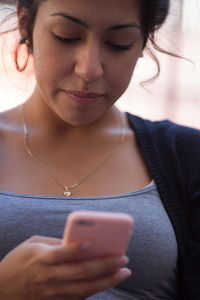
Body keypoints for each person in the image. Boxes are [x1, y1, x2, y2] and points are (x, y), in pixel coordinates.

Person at [0, 0, 199, 299]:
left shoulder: (187, 157)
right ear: (26, 23)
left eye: (119, 43)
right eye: (66, 36)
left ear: (143, 42)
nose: (89, 69)